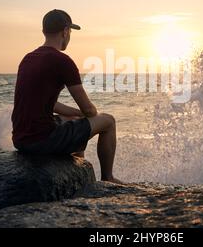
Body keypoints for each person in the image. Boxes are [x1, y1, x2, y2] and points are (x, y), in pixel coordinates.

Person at [11, 9, 122, 184]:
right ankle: (108, 178)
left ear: (44, 31)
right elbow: (89, 109)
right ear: (65, 31)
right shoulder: (62, 61)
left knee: (73, 119)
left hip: (21, 139)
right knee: (108, 121)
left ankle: (78, 170)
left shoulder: (28, 58)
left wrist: (78, 114)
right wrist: (91, 113)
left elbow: (51, 104)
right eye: (70, 31)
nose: (69, 36)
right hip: (41, 140)